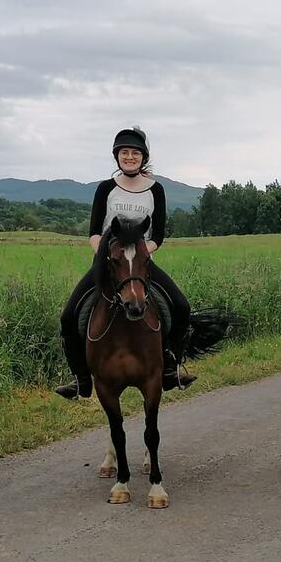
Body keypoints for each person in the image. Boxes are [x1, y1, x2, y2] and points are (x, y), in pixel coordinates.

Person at [54, 127, 194, 399]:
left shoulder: (156, 190)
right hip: (109, 263)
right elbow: (94, 232)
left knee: (181, 306)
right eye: (124, 152)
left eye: (135, 153)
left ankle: (170, 368)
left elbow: (158, 236)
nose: (130, 157)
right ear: (117, 156)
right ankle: (81, 379)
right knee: (68, 316)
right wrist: (108, 255)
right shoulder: (106, 189)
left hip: (140, 265)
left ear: (143, 157)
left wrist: (140, 253)